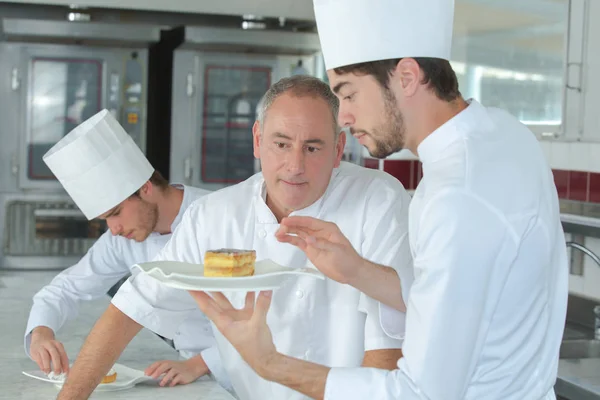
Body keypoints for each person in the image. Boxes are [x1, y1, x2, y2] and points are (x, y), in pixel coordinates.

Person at [189, 0, 570, 399]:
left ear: (406, 76)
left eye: (349, 94)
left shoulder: (456, 196)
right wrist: (357, 270)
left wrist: (268, 363)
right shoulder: (508, 135)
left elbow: (417, 394)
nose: (344, 117)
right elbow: (463, 297)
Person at [55, 75, 414, 400]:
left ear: (338, 150)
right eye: (281, 144)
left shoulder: (376, 199)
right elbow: (133, 307)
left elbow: (387, 339)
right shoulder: (214, 215)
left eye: (313, 147)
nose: (294, 166)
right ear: (258, 140)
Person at [25, 109, 226, 388]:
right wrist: (41, 332)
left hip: (249, 368)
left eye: (116, 212)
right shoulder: (122, 239)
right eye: (105, 219)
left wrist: (200, 364)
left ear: (145, 188)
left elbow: (275, 313)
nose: (113, 228)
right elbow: (66, 288)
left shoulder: (221, 216)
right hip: (188, 374)